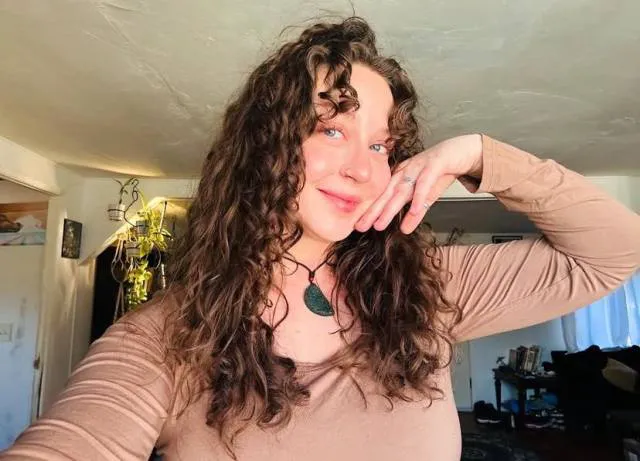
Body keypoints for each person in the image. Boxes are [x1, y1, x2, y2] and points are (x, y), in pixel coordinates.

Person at [1, 17, 638, 461]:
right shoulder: (166, 339)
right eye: (332, 129)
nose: (364, 168)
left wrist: (477, 155)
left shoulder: (431, 287)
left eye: (381, 145)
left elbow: (615, 250)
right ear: (265, 145)